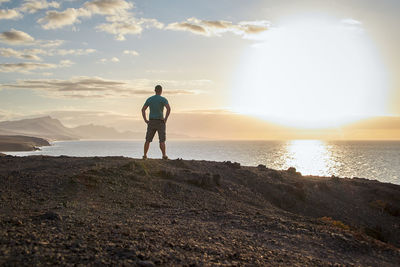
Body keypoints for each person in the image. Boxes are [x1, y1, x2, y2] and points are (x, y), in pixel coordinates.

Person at [141, 85, 171, 159]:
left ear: (155, 90)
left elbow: (143, 109)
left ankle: (145, 155)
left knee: (147, 140)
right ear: (161, 91)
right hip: (161, 122)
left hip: (151, 121)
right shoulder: (163, 99)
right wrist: (166, 119)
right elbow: (168, 109)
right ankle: (164, 155)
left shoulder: (150, 99)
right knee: (162, 140)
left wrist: (145, 120)